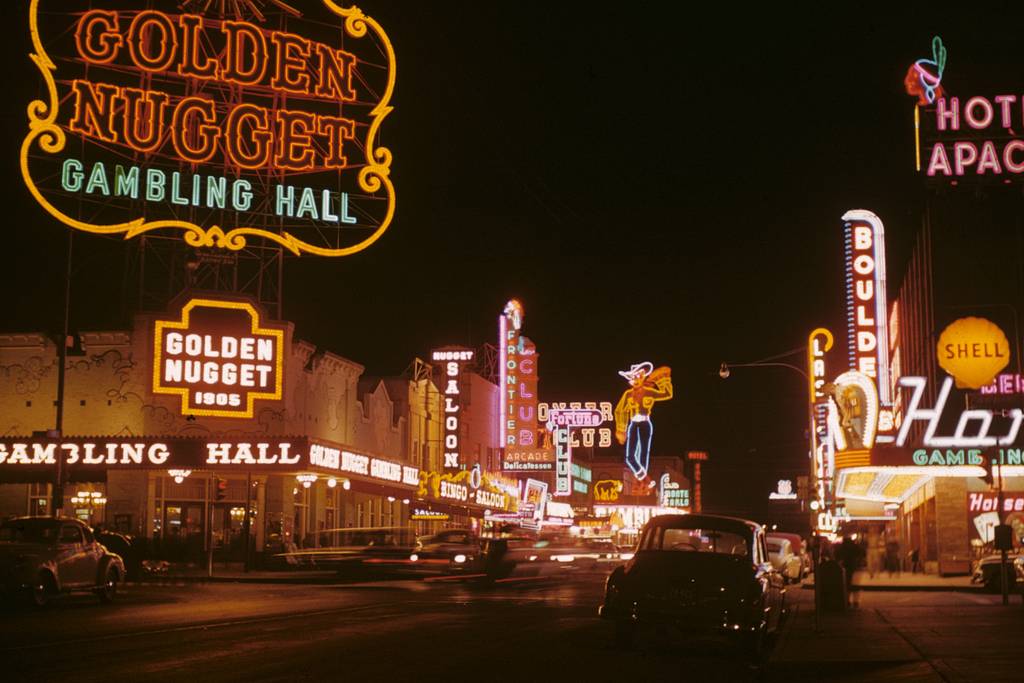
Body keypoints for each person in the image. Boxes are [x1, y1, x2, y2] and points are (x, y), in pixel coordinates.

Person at [614, 362, 673, 480]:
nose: (636, 379)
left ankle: (641, 480)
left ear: (643, 377)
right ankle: (642, 476)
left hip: (645, 423)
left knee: (644, 453)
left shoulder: (649, 391)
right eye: (634, 377)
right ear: (630, 379)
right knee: (629, 456)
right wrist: (621, 429)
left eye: (639, 376)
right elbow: (620, 410)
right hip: (633, 424)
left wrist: (663, 379)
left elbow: (667, 394)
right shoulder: (628, 394)